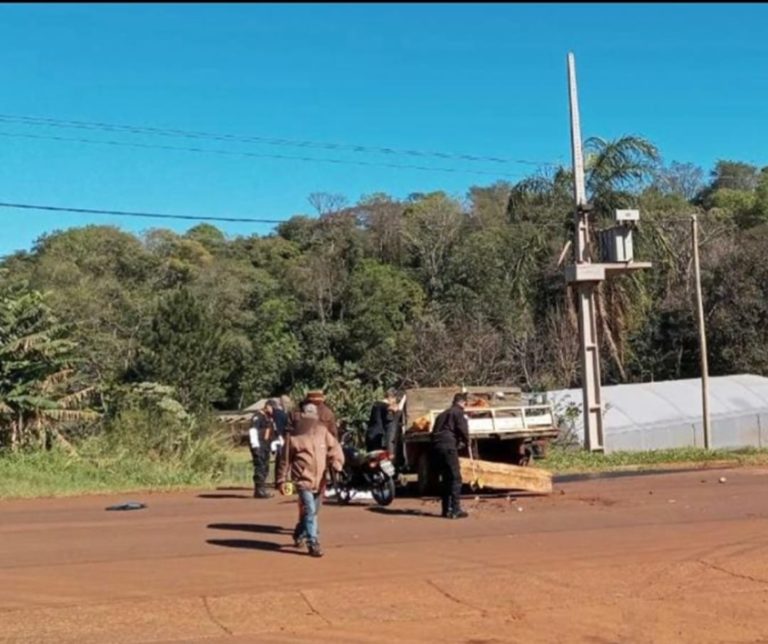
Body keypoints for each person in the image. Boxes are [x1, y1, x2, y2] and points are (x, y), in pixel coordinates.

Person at [277, 403, 344, 558]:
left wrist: (337, 462)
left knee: (312, 511)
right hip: (303, 480)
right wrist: (281, 480)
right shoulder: (293, 438)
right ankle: (313, 543)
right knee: (310, 511)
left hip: (320, 480)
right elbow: (284, 461)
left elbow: (335, 448)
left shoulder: (323, 432)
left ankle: (299, 533)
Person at [430, 392, 470, 519]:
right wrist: (467, 441)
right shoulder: (458, 412)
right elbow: (462, 429)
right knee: (455, 478)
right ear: (463, 402)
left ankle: (445, 509)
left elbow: (433, 432)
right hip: (448, 446)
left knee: (446, 478)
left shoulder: (441, 415)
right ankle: (455, 509)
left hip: (437, 447)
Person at [248, 400, 277, 499]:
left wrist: (273, 445)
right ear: (267, 406)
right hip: (258, 445)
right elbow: (253, 431)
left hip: (265, 446)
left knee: (265, 467)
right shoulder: (257, 417)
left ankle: (261, 489)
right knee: (260, 467)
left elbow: (271, 433)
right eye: (272, 408)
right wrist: (255, 445)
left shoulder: (269, 418)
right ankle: (259, 490)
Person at [365, 388, 400, 454]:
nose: (394, 402)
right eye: (394, 400)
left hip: (371, 435)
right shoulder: (382, 404)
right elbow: (395, 409)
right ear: (391, 397)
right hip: (376, 437)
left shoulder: (376, 405)